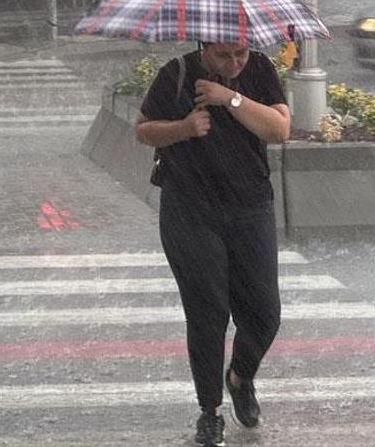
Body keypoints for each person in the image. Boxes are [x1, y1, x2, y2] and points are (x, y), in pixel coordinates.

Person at [135, 42, 290, 447]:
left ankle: (240, 376)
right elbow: (143, 129)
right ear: (205, 46)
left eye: (240, 52)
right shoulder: (177, 73)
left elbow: (280, 129)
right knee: (207, 313)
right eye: (224, 56)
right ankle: (210, 411)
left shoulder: (259, 70)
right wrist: (183, 128)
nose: (234, 62)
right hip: (190, 209)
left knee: (264, 312)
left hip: (250, 206)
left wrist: (230, 97)